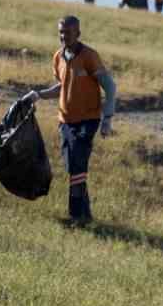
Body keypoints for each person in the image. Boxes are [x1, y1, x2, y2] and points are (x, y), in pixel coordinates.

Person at [22, 15, 117, 225]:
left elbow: (110, 87)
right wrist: (38, 94)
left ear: (78, 34)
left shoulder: (90, 56)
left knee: (76, 165)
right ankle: (85, 215)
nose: (63, 36)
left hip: (88, 120)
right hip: (65, 121)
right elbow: (61, 87)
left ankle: (76, 216)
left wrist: (107, 119)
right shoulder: (58, 57)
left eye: (68, 32)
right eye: (61, 32)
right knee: (74, 168)